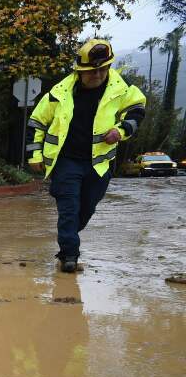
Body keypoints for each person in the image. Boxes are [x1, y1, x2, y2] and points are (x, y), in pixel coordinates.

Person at [26, 39, 146, 273]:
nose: (98, 74)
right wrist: (34, 156)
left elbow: (137, 109)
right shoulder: (59, 92)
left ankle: (68, 235)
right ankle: (69, 255)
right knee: (69, 208)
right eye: (93, 70)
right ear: (80, 70)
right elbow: (36, 122)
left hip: (99, 164)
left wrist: (121, 130)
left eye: (103, 69)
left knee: (87, 208)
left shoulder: (121, 88)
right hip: (66, 162)